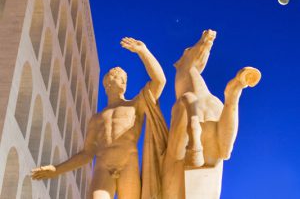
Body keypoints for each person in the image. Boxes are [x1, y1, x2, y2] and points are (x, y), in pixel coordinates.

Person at [32, 37, 168, 199]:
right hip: (103, 167)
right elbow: (87, 153)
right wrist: (57, 170)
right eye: (114, 78)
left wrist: (143, 51)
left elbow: (160, 81)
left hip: (128, 165)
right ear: (106, 85)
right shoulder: (97, 118)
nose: (118, 81)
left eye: (121, 78)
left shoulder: (135, 105)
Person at [163, 29, 261, 199]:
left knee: (175, 163)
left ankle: (194, 125)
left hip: (187, 104)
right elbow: (199, 55)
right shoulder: (189, 66)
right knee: (224, 151)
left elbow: (196, 54)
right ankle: (232, 98)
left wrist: (206, 40)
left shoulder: (183, 65)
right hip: (212, 104)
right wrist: (207, 42)